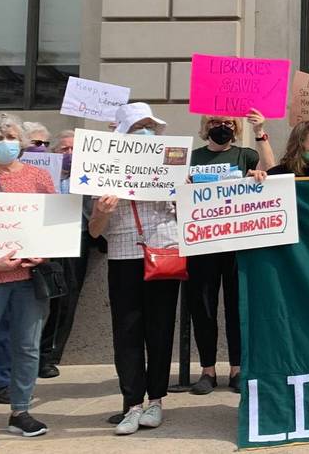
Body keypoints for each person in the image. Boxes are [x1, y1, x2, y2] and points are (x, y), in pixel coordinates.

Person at [87, 103, 181, 435]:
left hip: (164, 252)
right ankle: (132, 404)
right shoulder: (105, 170)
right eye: (139, 126)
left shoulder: (171, 163)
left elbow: (192, 208)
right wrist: (101, 210)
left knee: (160, 329)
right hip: (124, 256)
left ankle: (155, 400)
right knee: (126, 332)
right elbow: (94, 231)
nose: (146, 131)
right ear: (123, 133)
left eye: (150, 126)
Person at [186, 113, 271, 397]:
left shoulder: (245, 155)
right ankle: (207, 370)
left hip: (237, 245)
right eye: (214, 123)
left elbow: (274, 170)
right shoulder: (192, 157)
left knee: (237, 307)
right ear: (204, 127)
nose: (221, 128)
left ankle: (237, 368)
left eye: (227, 124)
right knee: (204, 307)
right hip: (202, 244)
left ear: (235, 129)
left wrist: (260, 136)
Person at [0, 114, 52, 440]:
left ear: (22, 141)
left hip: (29, 278)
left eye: (10, 136)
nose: (4, 142)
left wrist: (46, 251)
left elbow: (55, 225)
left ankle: (20, 411)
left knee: (27, 347)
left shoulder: (40, 177)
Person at [37, 130, 84, 379]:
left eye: (73, 149)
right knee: (47, 297)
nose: (68, 154)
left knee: (67, 296)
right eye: (63, 150)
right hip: (48, 238)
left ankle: (50, 357)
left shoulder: (90, 177)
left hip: (79, 238)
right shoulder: (43, 176)